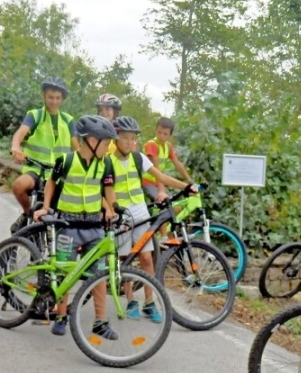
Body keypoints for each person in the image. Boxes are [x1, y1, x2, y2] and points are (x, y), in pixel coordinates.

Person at [32, 115, 120, 338]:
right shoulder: (67, 161)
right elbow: (51, 182)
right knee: (65, 272)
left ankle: (100, 322)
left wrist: (115, 208)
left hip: (94, 225)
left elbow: (108, 189)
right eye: (107, 142)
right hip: (67, 224)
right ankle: (61, 316)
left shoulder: (106, 163)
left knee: (99, 274)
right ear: (92, 140)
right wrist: (46, 207)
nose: (109, 147)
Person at [110, 116, 196, 318]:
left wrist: (187, 186)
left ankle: (149, 302)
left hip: (140, 210)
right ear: (115, 139)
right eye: (125, 138)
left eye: (133, 139)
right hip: (120, 213)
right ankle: (131, 301)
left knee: (146, 257)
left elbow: (161, 176)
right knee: (125, 259)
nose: (130, 142)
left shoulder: (139, 158)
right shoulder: (108, 162)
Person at [9, 77, 76, 233]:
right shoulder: (35, 115)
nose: (54, 101)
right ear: (43, 96)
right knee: (18, 185)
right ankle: (27, 213)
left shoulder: (68, 120)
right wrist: (16, 146)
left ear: (62, 99)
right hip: (36, 169)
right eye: (50, 97)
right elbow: (21, 132)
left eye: (58, 98)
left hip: (57, 173)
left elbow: (76, 147)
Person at [142, 117, 191, 200]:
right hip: (147, 182)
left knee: (174, 205)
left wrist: (190, 181)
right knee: (164, 202)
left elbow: (178, 164)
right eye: (159, 132)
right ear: (155, 131)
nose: (161, 136)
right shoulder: (152, 145)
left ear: (170, 135)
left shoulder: (168, 146)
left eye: (165, 134)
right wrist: (162, 191)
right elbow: (157, 170)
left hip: (158, 182)